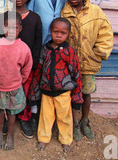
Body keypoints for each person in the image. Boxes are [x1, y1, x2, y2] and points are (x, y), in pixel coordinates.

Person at [61, 0, 113, 140]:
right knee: (72, 94)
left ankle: (85, 121)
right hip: (70, 65)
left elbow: (105, 32)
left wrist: (99, 51)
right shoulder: (65, 12)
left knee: (86, 93)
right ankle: (74, 124)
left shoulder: (95, 12)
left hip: (89, 63)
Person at [29, 18, 83, 152]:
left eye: (63, 33)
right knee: (45, 117)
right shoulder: (45, 49)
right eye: (55, 32)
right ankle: (43, 138)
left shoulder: (69, 51)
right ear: (50, 32)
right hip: (46, 92)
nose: (59, 35)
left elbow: (76, 73)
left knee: (64, 117)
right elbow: (39, 71)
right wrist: (34, 93)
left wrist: (77, 98)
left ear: (68, 34)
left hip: (63, 93)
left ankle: (66, 140)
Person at [0, 11, 33, 150]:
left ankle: (11, 135)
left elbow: (27, 68)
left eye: (15, 28)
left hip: (14, 87)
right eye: (8, 27)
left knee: (12, 112)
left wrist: (19, 81)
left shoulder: (24, 48)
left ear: (20, 28)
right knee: (0, 110)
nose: (11, 31)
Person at [7, 0, 42, 138]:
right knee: (8, 93)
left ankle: (23, 118)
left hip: (27, 66)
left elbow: (37, 43)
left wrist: (33, 64)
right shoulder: (5, 17)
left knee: (25, 93)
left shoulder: (35, 18)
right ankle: (8, 118)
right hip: (9, 66)